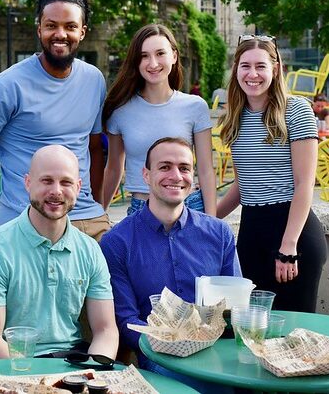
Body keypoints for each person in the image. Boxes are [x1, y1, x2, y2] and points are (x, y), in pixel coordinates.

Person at [0, 0, 108, 264]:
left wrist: (96, 204)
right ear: (39, 29)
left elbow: (95, 147)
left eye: (70, 26)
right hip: (27, 222)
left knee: (116, 302)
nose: (60, 34)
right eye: (51, 26)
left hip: (87, 221)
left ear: (82, 32)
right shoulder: (6, 87)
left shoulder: (94, 79)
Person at [0, 145, 118, 359]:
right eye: (47, 180)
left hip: (73, 363)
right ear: (28, 183)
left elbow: (106, 331)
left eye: (66, 182)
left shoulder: (90, 249)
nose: (56, 191)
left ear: (78, 187)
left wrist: (95, 370)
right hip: (11, 368)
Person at [101, 138, 236, 375]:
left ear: (193, 179)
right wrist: (168, 344)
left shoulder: (219, 233)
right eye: (164, 167)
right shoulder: (117, 242)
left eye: (184, 168)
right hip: (160, 358)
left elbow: (234, 307)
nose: (176, 176)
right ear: (146, 175)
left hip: (217, 354)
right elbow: (126, 320)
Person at [217, 35, 327, 313]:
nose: (252, 74)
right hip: (252, 232)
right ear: (236, 69)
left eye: (261, 66)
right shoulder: (235, 117)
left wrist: (287, 247)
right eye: (245, 66)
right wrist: (205, 218)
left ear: (275, 69)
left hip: (293, 233)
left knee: (294, 333)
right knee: (251, 329)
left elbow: (304, 185)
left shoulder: (296, 110)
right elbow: (244, 185)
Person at [101, 24, 216, 216]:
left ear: (174, 56)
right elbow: (113, 169)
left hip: (189, 208)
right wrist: (98, 214)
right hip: (141, 210)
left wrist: (212, 223)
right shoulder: (120, 110)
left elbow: (205, 170)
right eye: (144, 56)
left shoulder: (195, 106)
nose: (153, 63)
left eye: (160, 53)